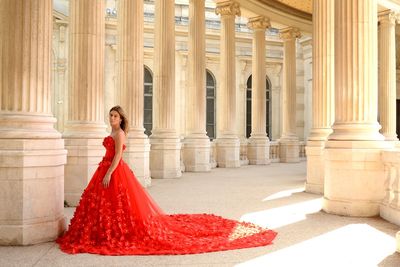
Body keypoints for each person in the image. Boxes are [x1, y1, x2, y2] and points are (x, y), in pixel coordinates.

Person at [57, 105, 277, 255]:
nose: (112, 119)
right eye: (111, 116)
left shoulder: (120, 134)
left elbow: (117, 157)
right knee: (105, 205)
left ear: (121, 118)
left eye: (115, 116)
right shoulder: (111, 132)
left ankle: (116, 231)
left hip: (113, 171)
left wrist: (108, 174)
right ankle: (102, 230)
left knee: (120, 204)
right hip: (104, 170)